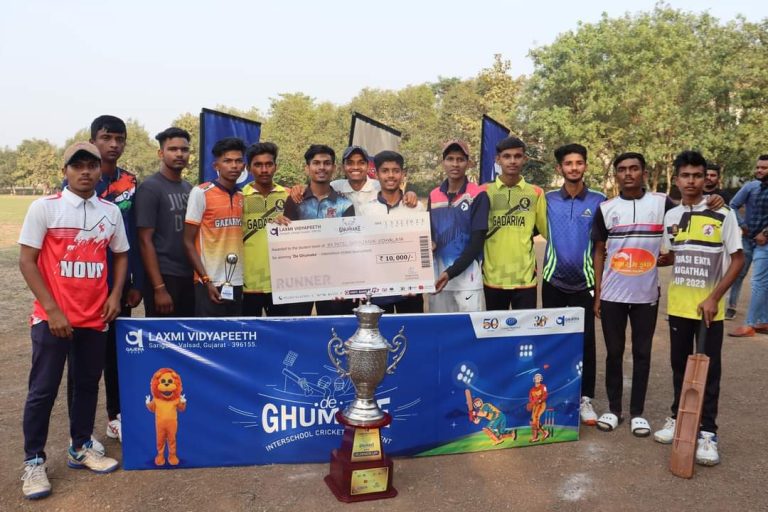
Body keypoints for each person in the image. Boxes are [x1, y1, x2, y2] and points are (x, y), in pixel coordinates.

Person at [18, 142, 128, 499]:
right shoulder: (45, 207)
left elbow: (121, 255)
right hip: (53, 319)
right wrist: (52, 310)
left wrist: (114, 296)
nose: (85, 172)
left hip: (94, 317)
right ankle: (34, 460)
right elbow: (27, 261)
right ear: (65, 170)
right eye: (77, 166)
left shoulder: (110, 211)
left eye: (91, 166)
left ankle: (80, 446)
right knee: (43, 390)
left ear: (100, 171)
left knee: (86, 385)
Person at [653, 150, 743, 467]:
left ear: (706, 179)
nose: (691, 181)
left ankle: (708, 433)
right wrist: (664, 259)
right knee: (679, 367)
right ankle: (678, 418)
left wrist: (714, 297)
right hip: (678, 306)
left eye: (697, 175)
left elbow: (738, 260)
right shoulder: (671, 217)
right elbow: (677, 253)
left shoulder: (723, 213)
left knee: (709, 372)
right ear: (676, 180)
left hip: (708, 309)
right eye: (686, 176)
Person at [62, 116, 142, 447]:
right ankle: (79, 432)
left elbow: (135, 235)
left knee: (116, 355)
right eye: (106, 138)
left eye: (119, 139)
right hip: (84, 286)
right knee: (82, 362)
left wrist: (134, 283)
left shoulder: (130, 182)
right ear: (93, 140)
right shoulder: (77, 181)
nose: (113, 144)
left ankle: (116, 417)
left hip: (119, 285)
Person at [592, 152, 673, 437]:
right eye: (622, 169)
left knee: (642, 353)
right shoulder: (606, 208)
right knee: (614, 353)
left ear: (644, 173)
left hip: (646, 295)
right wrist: (598, 294)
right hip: (612, 295)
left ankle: (638, 413)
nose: (628, 174)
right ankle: (614, 409)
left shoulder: (662, 203)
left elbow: (684, 228)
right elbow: (598, 252)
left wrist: (671, 257)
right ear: (616, 175)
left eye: (634, 168)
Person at [542, 143, 605, 426]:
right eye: (568, 163)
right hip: (552, 281)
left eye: (579, 162)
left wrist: (599, 292)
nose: (574, 168)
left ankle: (584, 398)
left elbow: (602, 247)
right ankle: (554, 395)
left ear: (585, 166)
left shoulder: (599, 200)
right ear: (560, 168)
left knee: (585, 342)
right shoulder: (547, 200)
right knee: (553, 340)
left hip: (585, 284)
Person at [279, 144, 355, 316]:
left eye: (327, 163)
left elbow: (349, 246)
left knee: (333, 327)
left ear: (334, 168)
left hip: (334, 280)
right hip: (299, 279)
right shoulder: (294, 201)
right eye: (316, 163)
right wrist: (279, 223)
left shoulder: (345, 204)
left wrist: (346, 281)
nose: (322, 167)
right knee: (297, 324)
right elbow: (286, 243)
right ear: (307, 168)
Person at [135, 127, 195, 317]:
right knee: (162, 333)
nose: (179, 154)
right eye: (173, 149)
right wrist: (159, 287)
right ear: (161, 153)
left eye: (184, 149)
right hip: (164, 276)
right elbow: (144, 240)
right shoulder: (149, 188)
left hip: (189, 275)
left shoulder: (189, 189)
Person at [483, 136, 547, 310]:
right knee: (495, 327)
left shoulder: (536, 193)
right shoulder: (484, 191)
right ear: (498, 159)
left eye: (517, 156)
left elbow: (547, 231)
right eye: (507, 156)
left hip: (525, 277)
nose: (512, 161)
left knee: (525, 328)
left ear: (524, 159)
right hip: (493, 276)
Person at [184, 137, 246, 317]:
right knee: (209, 333)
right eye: (227, 161)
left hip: (236, 281)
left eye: (238, 161)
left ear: (243, 166)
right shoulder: (200, 192)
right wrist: (206, 280)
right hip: (209, 281)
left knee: (234, 332)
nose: (234, 166)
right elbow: (187, 242)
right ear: (216, 165)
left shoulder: (242, 196)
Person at [358, 150, 426, 313]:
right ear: (377, 174)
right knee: (380, 329)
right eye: (385, 171)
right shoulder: (365, 209)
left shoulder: (417, 208)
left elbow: (423, 247)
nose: (390, 176)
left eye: (395, 171)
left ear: (403, 174)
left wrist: (419, 280)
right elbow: (362, 251)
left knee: (410, 328)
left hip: (410, 290)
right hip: (377, 290)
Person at [428, 140, 489, 313]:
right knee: (441, 328)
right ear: (443, 162)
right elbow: (429, 234)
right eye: (450, 159)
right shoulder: (434, 195)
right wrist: (430, 243)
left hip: (468, 282)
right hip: (438, 281)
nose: (455, 164)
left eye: (460, 159)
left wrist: (451, 272)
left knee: (470, 329)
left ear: (468, 163)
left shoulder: (478, 195)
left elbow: (477, 243)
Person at [241, 142, 291, 317]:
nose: (264, 170)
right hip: (248, 282)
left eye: (269, 164)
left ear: (275, 167)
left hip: (282, 283)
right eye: (258, 165)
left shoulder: (290, 196)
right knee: (249, 332)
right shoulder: (239, 197)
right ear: (248, 168)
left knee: (280, 333)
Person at [728, 154, 768, 337]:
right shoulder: (751, 187)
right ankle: (762, 320)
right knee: (738, 273)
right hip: (747, 240)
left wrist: (765, 233)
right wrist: (742, 225)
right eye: (758, 167)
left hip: (765, 243)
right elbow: (733, 205)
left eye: (764, 168)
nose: (759, 170)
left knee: (759, 281)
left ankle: (750, 325)